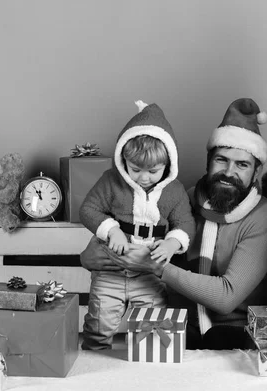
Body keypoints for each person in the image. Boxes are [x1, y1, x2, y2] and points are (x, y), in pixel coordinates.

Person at [80, 98, 267, 350]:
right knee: (131, 353)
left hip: (235, 333)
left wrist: (155, 266)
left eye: (242, 164)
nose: (229, 171)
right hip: (178, 326)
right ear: (209, 160)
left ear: (256, 171)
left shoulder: (265, 217)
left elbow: (225, 298)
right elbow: (121, 228)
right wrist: (92, 256)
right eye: (221, 159)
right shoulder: (183, 200)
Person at [79, 100, 196, 350]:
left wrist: (172, 244)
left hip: (149, 274)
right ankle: (93, 363)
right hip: (111, 270)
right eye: (135, 169)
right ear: (124, 160)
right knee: (100, 322)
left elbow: (185, 223)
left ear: (167, 165)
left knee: (152, 328)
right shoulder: (111, 181)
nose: (143, 178)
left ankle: (145, 371)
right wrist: (112, 230)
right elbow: (88, 209)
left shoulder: (173, 191)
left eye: (153, 171)